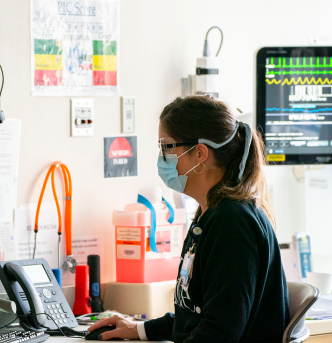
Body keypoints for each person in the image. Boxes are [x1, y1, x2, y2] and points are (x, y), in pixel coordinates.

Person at [88, 95, 290, 342]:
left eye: (166, 147)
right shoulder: (209, 213)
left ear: (200, 153)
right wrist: (138, 329)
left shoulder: (233, 222)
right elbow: (196, 317)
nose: (161, 157)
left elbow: (220, 333)